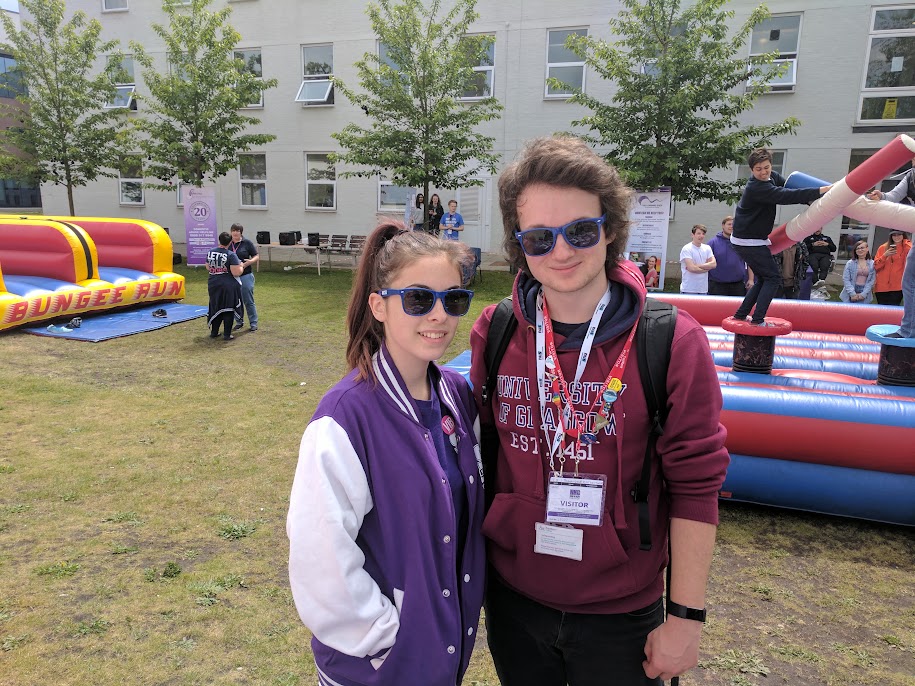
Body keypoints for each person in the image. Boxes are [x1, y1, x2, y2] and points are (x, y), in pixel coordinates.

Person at [469, 135, 729, 686]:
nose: (561, 251)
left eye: (581, 231)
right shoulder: (496, 331)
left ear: (609, 230)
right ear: (520, 245)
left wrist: (685, 618)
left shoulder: (672, 341)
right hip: (515, 601)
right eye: (539, 237)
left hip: (622, 615)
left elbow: (696, 486)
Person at [286, 223, 485, 686]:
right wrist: (387, 641)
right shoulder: (345, 417)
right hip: (377, 668)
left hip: (442, 655)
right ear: (379, 306)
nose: (439, 315)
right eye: (418, 299)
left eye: (453, 300)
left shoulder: (457, 396)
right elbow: (320, 558)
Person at [731, 149, 830, 326]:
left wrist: (812, 201)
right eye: (758, 169)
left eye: (766, 167)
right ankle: (758, 319)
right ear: (752, 170)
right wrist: (823, 190)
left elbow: (791, 189)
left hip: (751, 239)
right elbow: (786, 196)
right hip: (748, 241)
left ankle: (741, 314)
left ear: (771, 165)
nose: (763, 172)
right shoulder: (757, 187)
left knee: (764, 278)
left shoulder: (772, 177)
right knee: (773, 278)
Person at [867, 174, 915, 337]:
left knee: (910, 282)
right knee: (909, 282)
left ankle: (909, 330)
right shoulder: (911, 176)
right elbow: (893, 195)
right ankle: (909, 329)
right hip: (886, 286)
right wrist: (881, 196)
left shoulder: (906, 246)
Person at [206, 232, 243, 341]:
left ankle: (214, 332)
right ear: (230, 242)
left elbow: (208, 267)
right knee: (228, 308)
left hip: (213, 283)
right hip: (227, 285)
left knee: (216, 306)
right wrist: (242, 266)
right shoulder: (231, 255)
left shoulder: (211, 252)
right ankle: (227, 334)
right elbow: (236, 272)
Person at [707, 216, 750, 296]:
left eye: (733, 224)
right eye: (729, 224)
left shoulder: (741, 243)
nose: (731, 226)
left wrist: (751, 279)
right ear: (723, 226)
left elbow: (750, 262)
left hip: (738, 285)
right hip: (717, 285)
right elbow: (706, 262)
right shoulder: (712, 243)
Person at [229, 223, 259, 332]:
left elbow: (256, 255)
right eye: (233, 230)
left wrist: (249, 262)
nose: (235, 233)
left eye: (237, 231)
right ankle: (239, 322)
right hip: (232, 276)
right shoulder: (228, 243)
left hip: (245, 275)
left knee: (248, 300)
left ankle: (253, 323)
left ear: (241, 232)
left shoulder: (247, 243)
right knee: (235, 301)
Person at [873, 231, 912, 306]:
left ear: (903, 235)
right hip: (882, 286)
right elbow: (876, 266)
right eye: (894, 235)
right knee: (882, 310)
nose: (897, 237)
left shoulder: (907, 247)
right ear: (891, 236)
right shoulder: (883, 247)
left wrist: (905, 242)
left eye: (899, 234)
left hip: (898, 286)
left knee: (893, 308)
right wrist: (885, 255)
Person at [679, 224, 716, 294]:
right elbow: (692, 268)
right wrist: (707, 268)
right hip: (689, 290)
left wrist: (697, 266)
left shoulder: (707, 248)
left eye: (703, 234)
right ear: (692, 235)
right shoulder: (687, 249)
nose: (701, 236)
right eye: (698, 233)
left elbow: (713, 264)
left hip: (703, 290)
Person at [840, 240, 876, 304]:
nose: (860, 250)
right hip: (850, 290)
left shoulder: (872, 264)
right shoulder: (850, 263)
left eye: (862, 248)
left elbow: (872, 280)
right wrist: (852, 294)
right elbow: (846, 279)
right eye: (857, 248)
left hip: (865, 290)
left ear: (867, 249)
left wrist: (863, 294)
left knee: (861, 310)